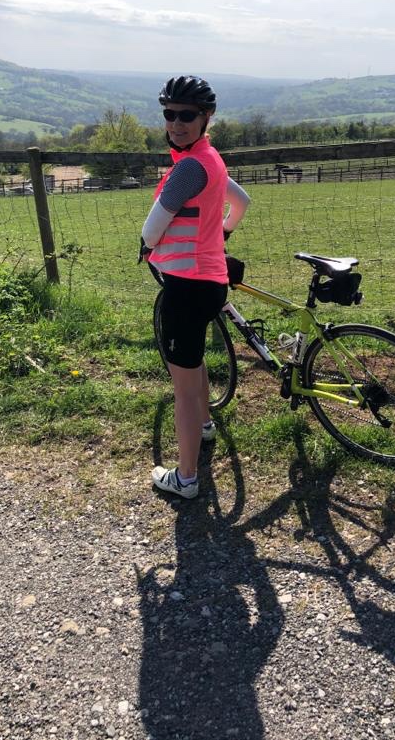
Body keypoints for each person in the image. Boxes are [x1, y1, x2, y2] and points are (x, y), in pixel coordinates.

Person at [141, 75, 250, 499]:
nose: (176, 123)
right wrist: (221, 233)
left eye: (186, 115)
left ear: (206, 117)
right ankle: (205, 426)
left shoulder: (187, 168)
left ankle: (185, 479)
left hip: (185, 287)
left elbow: (153, 228)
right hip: (211, 282)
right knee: (195, 361)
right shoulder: (211, 159)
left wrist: (146, 245)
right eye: (169, 114)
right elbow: (241, 202)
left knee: (183, 390)